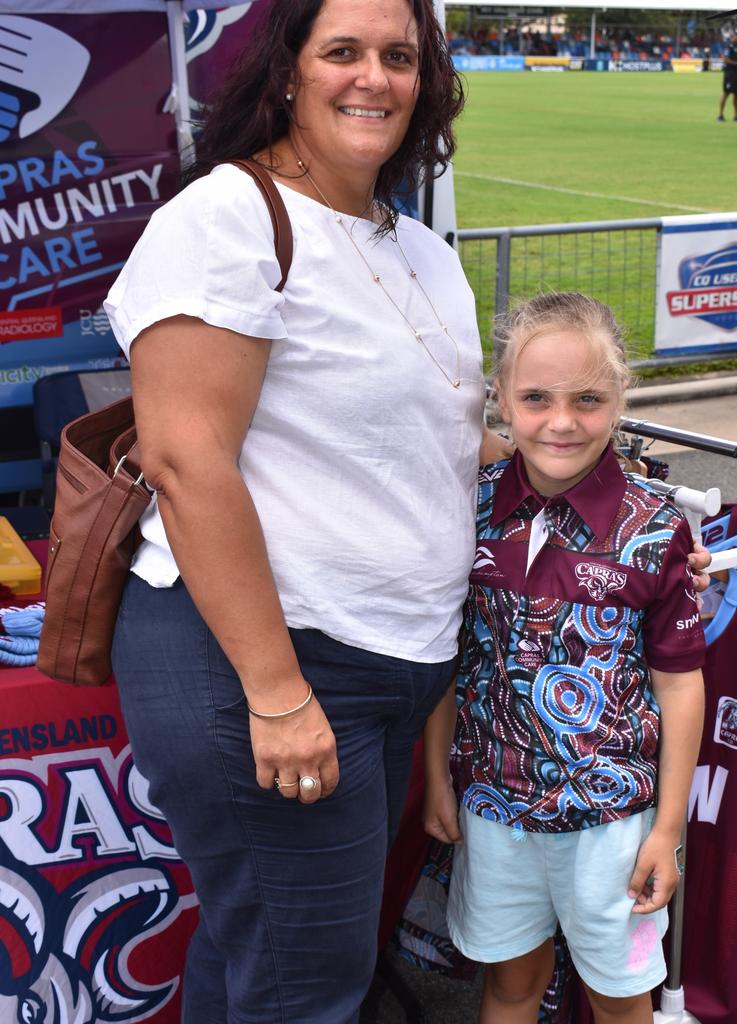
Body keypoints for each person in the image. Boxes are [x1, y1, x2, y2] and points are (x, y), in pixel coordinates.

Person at [103, 1, 491, 1021]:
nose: (374, 77)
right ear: (287, 71)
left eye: (399, 56)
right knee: (306, 983)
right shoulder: (228, 217)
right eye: (344, 52)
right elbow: (187, 459)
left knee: (266, 962)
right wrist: (277, 692)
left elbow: (414, 442)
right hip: (270, 663)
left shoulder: (420, 250)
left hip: (384, 664)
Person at [423, 293, 707, 1024]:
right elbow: (444, 663)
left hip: (615, 825)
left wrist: (668, 829)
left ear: (618, 400)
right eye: (536, 397)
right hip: (494, 812)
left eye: (587, 399)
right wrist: (437, 782)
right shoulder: (467, 507)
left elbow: (679, 686)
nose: (560, 421)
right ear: (500, 401)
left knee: (618, 999)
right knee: (512, 988)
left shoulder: (658, 528)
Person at [718, 34, 737, 121]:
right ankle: (720, 115)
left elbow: (736, 59)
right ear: (732, 37)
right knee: (726, 93)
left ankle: (736, 115)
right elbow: (725, 59)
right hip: (729, 74)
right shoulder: (728, 47)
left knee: (736, 95)